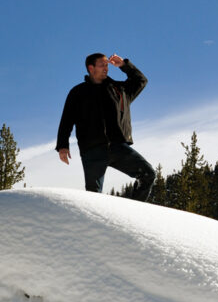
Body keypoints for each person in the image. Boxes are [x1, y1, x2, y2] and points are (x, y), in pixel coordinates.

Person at [56, 52, 156, 201]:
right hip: (92, 150)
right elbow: (66, 120)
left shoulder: (120, 89)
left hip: (117, 147)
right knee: (94, 196)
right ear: (91, 68)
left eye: (107, 65)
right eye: (102, 65)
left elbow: (141, 80)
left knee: (148, 174)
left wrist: (124, 65)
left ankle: (133, 212)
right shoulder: (77, 92)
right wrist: (62, 145)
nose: (106, 68)